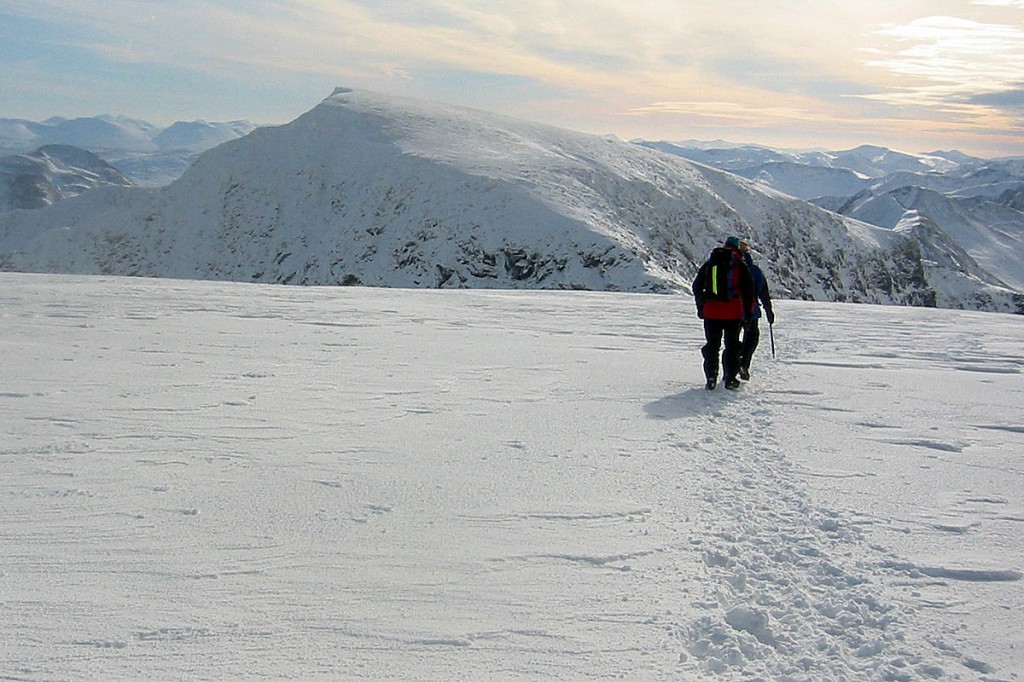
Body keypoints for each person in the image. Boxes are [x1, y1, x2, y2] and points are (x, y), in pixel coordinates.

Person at [692, 236, 754, 390]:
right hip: (733, 313)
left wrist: (702, 306)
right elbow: (749, 292)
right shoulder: (740, 265)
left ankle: (711, 377)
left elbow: (696, 286)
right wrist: (748, 315)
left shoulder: (710, 263)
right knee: (732, 346)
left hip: (711, 312)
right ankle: (730, 379)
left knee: (712, 345)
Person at [737, 241, 775, 380]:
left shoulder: (726, 267)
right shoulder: (754, 270)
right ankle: (744, 363)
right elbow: (763, 293)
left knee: (732, 339)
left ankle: (732, 366)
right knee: (752, 338)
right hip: (751, 311)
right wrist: (769, 311)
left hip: (730, 310)